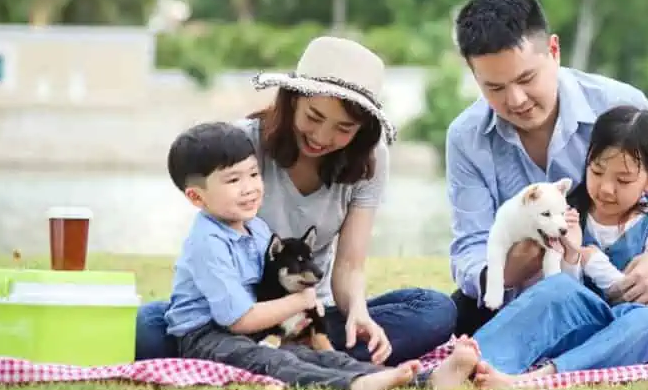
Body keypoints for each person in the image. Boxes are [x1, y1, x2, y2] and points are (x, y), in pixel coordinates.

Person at [446, 0, 648, 360]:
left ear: (554, 51)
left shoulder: (621, 104)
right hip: (534, 288)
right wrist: (513, 267)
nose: (516, 101)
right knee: (462, 313)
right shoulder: (466, 137)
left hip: (630, 282)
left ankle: (616, 336)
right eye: (494, 87)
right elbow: (469, 247)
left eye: (526, 79)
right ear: (474, 75)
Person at [136, 36, 458, 366]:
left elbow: (349, 264)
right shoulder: (242, 146)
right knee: (147, 328)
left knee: (434, 311)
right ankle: (292, 357)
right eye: (314, 117)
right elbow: (214, 246)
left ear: (362, 130)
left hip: (307, 315)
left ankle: (287, 353)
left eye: (343, 128)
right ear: (292, 102)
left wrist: (358, 314)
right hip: (236, 314)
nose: (321, 138)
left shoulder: (371, 159)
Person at [162, 120, 479, 390]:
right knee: (277, 361)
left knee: (319, 353)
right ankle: (352, 386)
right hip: (206, 335)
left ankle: (424, 380)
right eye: (233, 180)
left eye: (254, 174)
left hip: (257, 326)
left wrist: (308, 311)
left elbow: (273, 287)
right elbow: (239, 319)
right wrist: (300, 301)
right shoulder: (208, 242)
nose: (250, 188)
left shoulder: (255, 229)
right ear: (196, 197)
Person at [467, 104, 648, 389]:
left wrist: (594, 263)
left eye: (623, 180)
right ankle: (469, 361)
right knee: (553, 291)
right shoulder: (570, 216)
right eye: (597, 171)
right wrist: (572, 256)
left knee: (644, 324)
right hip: (591, 327)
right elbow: (566, 294)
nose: (605, 188)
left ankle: (532, 380)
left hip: (642, 330)